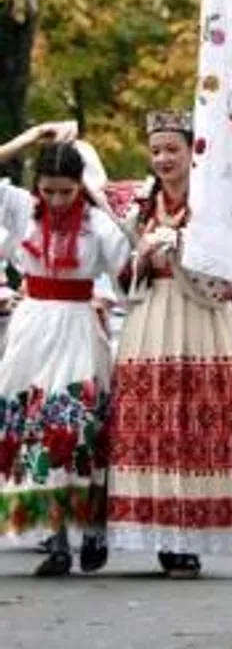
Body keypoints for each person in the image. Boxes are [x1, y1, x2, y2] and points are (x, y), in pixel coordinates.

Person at [105, 110, 232, 578]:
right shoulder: (141, 205)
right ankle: (163, 529)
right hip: (152, 314)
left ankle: (196, 528)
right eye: (157, 150)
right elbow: (123, 271)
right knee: (157, 418)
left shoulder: (215, 204)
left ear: (192, 152)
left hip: (202, 315)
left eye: (173, 149)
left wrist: (183, 246)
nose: (163, 158)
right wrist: (143, 255)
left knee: (199, 417)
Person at [0, 127, 130, 576]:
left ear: (81, 186)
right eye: (49, 191)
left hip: (77, 324)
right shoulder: (22, 212)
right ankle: (53, 536)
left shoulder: (98, 224)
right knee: (36, 428)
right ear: (37, 186)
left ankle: (92, 526)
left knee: (76, 428)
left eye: (67, 192)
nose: (57, 201)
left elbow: (125, 273)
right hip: (33, 325)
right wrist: (28, 138)